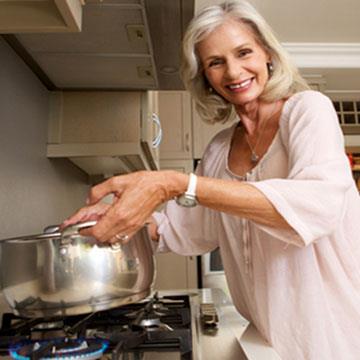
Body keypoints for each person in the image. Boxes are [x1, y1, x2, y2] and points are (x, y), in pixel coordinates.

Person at [62, 1, 360, 359]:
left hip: (340, 335)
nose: (234, 72)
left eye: (243, 52)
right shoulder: (219, 149)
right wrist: (117, 214)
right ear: (205, 76)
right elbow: (186, 229)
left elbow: (317, 206)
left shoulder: (307, 110)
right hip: (268, 340)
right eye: (215, 62)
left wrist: (177, 183)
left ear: (267, 54)